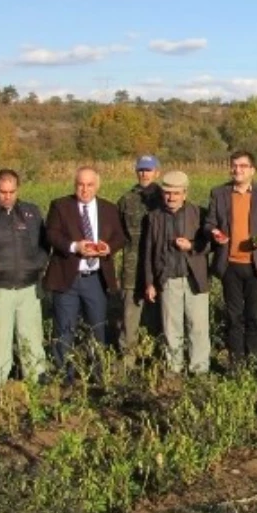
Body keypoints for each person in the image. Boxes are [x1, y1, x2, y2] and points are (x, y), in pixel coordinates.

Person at [0, 169, 50, 391]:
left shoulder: (31, 212)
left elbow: (45, 245)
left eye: (12, 191)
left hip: (28, 285)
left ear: (18, 190)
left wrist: (38, 265)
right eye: (2, 192)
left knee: (32, 334)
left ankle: (36, 374)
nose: (7, 196)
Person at [43, 166, 126, 377]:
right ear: (75, 185)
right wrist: (74, 246)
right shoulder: (61, 206)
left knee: (97, 328)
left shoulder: (109, 208)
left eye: (90, 185)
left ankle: (98, 372)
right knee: (65, 329)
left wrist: (108, 248)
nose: (85, 189)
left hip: (96, 279)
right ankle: (64, 375)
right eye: (80, 184)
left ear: (97, 186)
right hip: (67, 278)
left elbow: (120, 236)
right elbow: (51, 234)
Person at [205, 151, 257, 370]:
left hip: (256, 265)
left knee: (254, 316)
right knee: (233, 316)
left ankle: (253, 362)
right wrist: (214, 233)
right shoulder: (219, 193)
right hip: (230, 265)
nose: (238, 170)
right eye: (234, 165)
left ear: (252, 170)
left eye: (243, 166)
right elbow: (209, 223)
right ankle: (236, 364)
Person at [144, 171, 213, 375]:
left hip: (195, 279)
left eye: (176, 193)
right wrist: (150, 282)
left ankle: (199, 369)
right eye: (167, 193)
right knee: (171, 327)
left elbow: (210, 245)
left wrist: (191, 245)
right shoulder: (154, 218)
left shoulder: (199, 213)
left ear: (185, 193)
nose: (171, 197)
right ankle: (173, 368)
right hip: (168, 279)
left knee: (198, 327)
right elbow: (148, 251)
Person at [117, 154, 163, 359]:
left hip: (160, 265)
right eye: (141, 170)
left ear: (157, 172)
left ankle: (156, 357)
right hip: (132, 267)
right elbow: (116, 235)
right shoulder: (126, 200)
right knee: (130, 316)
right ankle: (128, 359)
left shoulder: (166, 197)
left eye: (149, 170)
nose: (144, 174)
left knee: (161, 315)